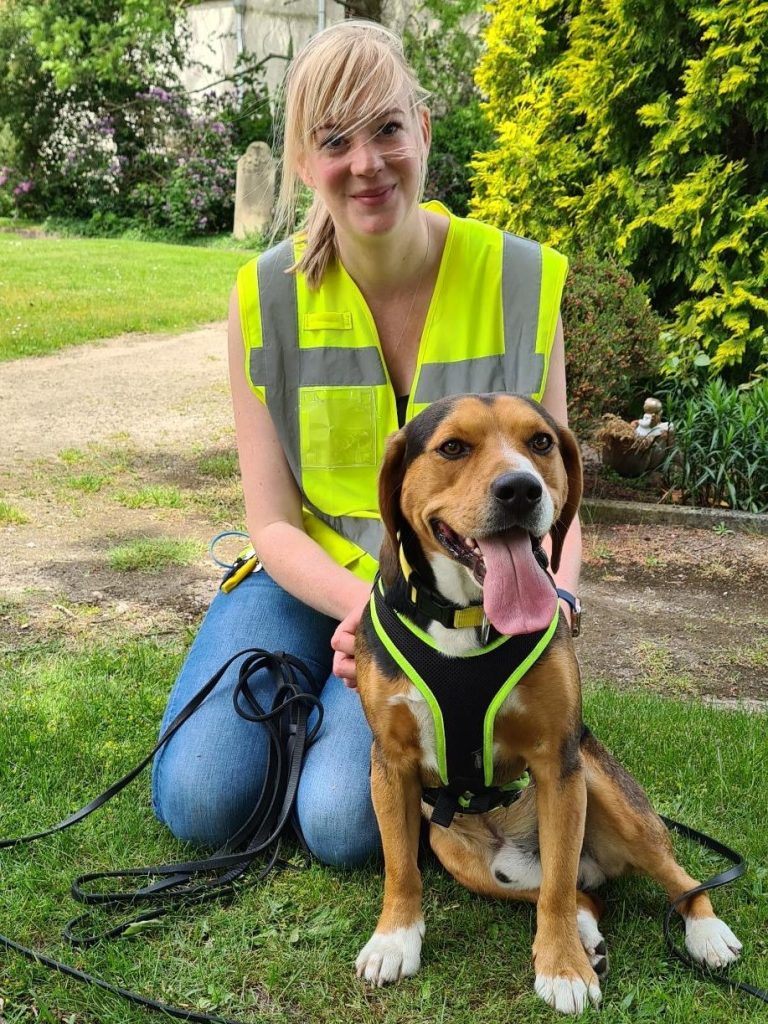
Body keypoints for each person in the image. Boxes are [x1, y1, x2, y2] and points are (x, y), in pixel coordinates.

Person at [151, 20, 581, 867]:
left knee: (345, 825)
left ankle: (334, 726)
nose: (367, 162)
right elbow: (271, 521)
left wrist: (558, 603)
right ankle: (313, 688)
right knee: (200, 798)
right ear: (305, 164)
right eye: (333, 141)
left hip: (459, 586)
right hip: (304, 577)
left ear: (423, 130)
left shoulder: (526, 278)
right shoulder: (262, 297)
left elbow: (557, 482)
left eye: (386, 129)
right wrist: (366, 618)